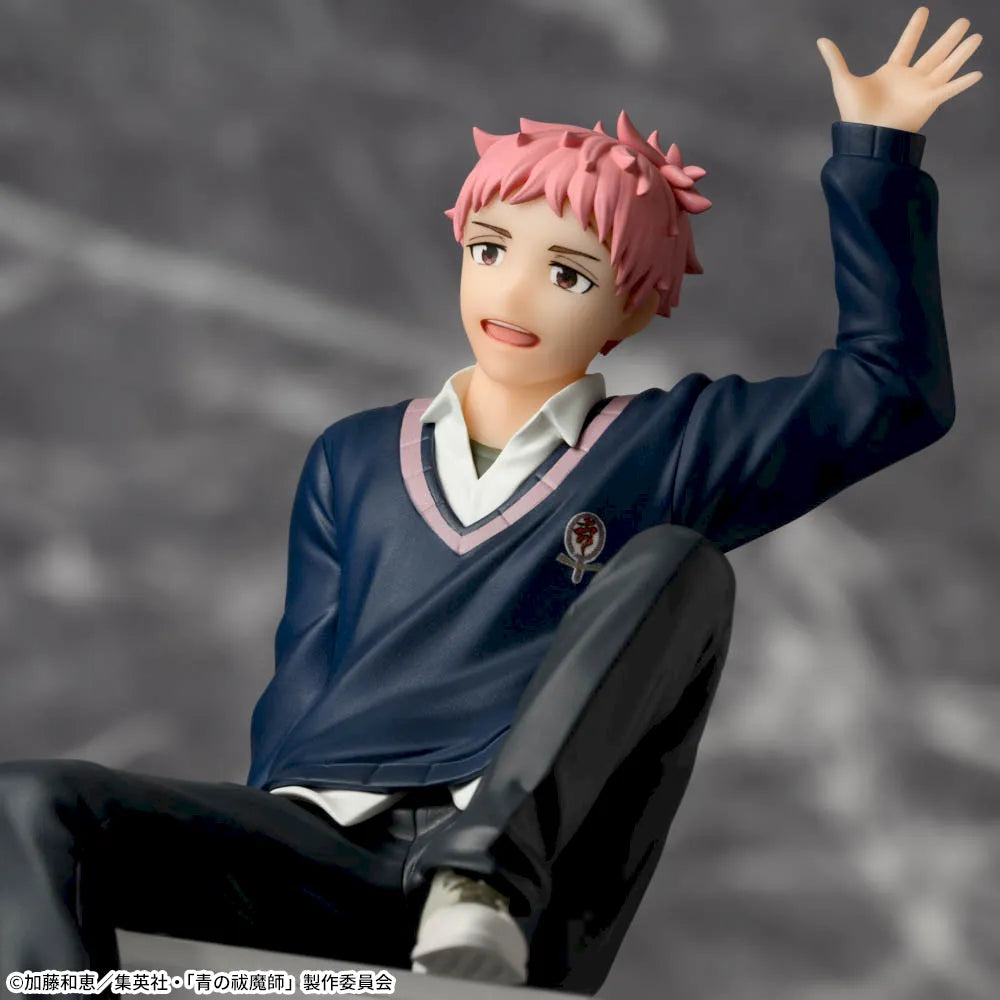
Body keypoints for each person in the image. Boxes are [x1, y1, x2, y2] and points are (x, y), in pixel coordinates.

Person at [0, 7, 981, 997]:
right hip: (325, 855)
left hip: (519, 890)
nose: (514, 294)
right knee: (32, 803)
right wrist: (256, 871)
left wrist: (878, 153)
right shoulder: (353, 458)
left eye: (566, 273)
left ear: (634, 304)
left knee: (679, 562)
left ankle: (480, 875)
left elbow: (888, 393)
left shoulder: (671, 444)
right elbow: (305, 684)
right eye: (490, 250)